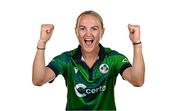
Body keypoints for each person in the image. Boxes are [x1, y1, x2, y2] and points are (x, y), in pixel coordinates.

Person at [32, 10, 145, 110]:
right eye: (82, 29)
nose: (88, 33)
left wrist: (137, 44)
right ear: (76, 31)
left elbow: (137, 81)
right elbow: (38, 80)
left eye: (94, 29)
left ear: (102, 31)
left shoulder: (113, 58)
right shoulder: (66, 59)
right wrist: (42, 42)